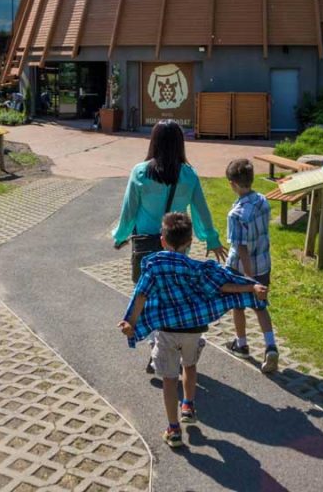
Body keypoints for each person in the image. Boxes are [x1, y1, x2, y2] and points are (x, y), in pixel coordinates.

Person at [118, 212, 268, 449]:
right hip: (192, 330)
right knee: (189, 365)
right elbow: (223, 284)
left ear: (162, 240)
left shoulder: (155, 266)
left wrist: (131, 324)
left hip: (166, 331)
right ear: (189, 243)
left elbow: (141, 296)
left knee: (169, 379)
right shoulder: (196, 268)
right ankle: (188, 404)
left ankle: (173, 429)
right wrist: (251, 287)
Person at [113, 119, 229, 374]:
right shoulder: (188, 174)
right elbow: (201, 209)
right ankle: (172, 349)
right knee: (171, 295)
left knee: (148, 296)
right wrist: (211, 238)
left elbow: (129, 209)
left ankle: (158, 349)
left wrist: (120, 235)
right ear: (180, 144)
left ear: (153, 141)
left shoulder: (140, 172)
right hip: (178, 245)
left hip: (145, 244)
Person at [223, 158, 279, 373]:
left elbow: (241, 248)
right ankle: (271, 346)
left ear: (233, 184)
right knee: (261, 307)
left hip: (241, 271)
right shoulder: (262, 201)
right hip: (263, 264)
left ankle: (242, 343)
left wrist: (248, 279)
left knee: (238, 306)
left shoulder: (236, 214)